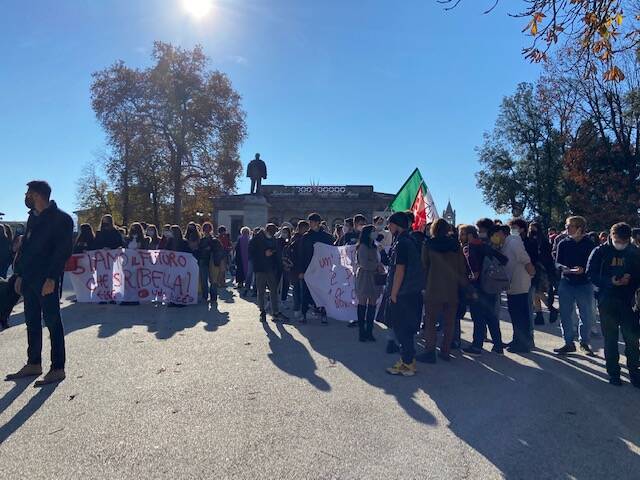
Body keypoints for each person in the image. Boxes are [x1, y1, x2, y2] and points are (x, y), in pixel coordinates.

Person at [5, 181, 73, 386]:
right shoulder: (33, 219)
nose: (26, 196)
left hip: (46, 281)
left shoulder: (62, 219)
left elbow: (62, 253)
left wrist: (52, 278)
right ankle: (34, 362)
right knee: (32, 322)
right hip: (29, 279)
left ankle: (58, 367)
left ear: (38, 195)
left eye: (29, 193)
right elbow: (26, 250)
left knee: (53, 322)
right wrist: (19, 275)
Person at [587, 222, 640, 387]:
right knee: (610, 339)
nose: (621, 244)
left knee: (632, 339)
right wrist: (610, 281)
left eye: (624, 241)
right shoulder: (600, 251)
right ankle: (613, 373)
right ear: (611, 236)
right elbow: (591, 273)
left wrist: (630, 279)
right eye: (618, 240)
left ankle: (635, 373)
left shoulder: (634, 252)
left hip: (628, 301)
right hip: (606, 300)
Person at [416, 219, 468, 363]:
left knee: (431, 321)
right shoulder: (455, 245)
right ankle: (445, 351)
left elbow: (424, 265)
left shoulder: (428, 244)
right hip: (452, 288)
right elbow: (461, 267)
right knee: (449, 322)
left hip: (433, 286)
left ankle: (430, 351)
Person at [461, 220, 509, 355]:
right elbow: (504, 260)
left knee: (478, 317)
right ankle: (498, 346)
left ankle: (477, 346)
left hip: (477, 288)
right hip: (491, 286)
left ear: (469, 235)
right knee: (491, 317)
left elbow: (474, 272)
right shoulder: (486, 246)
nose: (461, 236)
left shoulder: (469, 248)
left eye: (462, 234)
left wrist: (467, 280)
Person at [385, 212, 424, 376]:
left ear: (397, 225)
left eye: (390, 224)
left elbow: (400, 270)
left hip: (403, 292)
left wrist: (393, 293)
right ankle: (408, 360)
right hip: (413, 291)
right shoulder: (412, 240)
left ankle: (407, 364)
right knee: (406, 329)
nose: (389, 227)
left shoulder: (402, 243)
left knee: (401, 329)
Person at [554, 216, 596, 355]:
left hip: (584, 284)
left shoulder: (589, 244)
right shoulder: (563, 243)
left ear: (579, 228)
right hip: (566, 282)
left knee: (586, 315)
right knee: (565, 314)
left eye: (570, 226)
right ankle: (568, 342)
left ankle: (584, 342)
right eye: (566, 225)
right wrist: (563, 268)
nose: (567, 228)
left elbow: (595, 264)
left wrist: (584, 269)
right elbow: (557, 262)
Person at [501, 222, 536, 353]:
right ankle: (517, 339)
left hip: (520, 283)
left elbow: (525, 259)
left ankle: (523, 343)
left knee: (520, 315)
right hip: (514, 284)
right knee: (516, 314)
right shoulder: (509, 242)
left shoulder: (514, 241)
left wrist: (531, 273)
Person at [299, 213, 335, 324]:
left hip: (323, 269)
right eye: (310, 222)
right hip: (309, 268)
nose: (311, 224)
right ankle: (303, 314)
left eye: (313, 222)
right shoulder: (306, 237)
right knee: (306, 292)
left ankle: (323, 313)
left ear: (318, 223)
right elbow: (301, 254)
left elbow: (333, 252)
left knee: (323, 292)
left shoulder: (327, 237)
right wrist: (301, 270)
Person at [250, 223, 287, 322]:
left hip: (271, 268)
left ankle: (275, 312)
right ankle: (262, 312)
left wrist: (280, 264)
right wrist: (263, 253)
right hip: (260, 269)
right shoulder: (257, 238)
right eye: (271, 233)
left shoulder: (273, 239)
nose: (272, 234)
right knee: (261, 291)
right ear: (266, 231)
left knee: (274, 290)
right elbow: (251, 252)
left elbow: (277, 253)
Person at [355, 224, 383, 342]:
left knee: (372, 304)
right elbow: (364, 263)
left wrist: (379, 265)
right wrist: (376, 266)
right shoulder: (362, 246)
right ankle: (362, 332)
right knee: (362, 303)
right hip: (365, 277)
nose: (375, 233)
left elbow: (377, 260)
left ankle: (369, 331)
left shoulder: (374, 246)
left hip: (374, 277)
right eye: (373, 231)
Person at [528, 221, 556, 326]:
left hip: (540, 268)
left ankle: (550, 308)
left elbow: (545, 254)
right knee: (535, 292)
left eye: (533, 228)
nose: (532, 230)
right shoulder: (531, 239)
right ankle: (539, 314)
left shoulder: (542, 240)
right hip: (533, 266)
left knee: (537, 290)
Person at [199, 222, 224, 305]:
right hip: (209, 262)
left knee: (209, 280)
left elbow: (220, 252)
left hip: (210, 262)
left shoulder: (207, 241)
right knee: (211, 280)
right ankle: (211, 297)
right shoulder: (214, 240)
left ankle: (208, 296)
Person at [289, 220, 310, 317]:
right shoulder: (301, 239)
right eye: (307, 228)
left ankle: (297, 309)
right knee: (300, 290)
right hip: (299, 268)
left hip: (294, 268)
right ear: (303, 228)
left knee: (296, 289)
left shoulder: (294, 238)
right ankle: (300, 309)